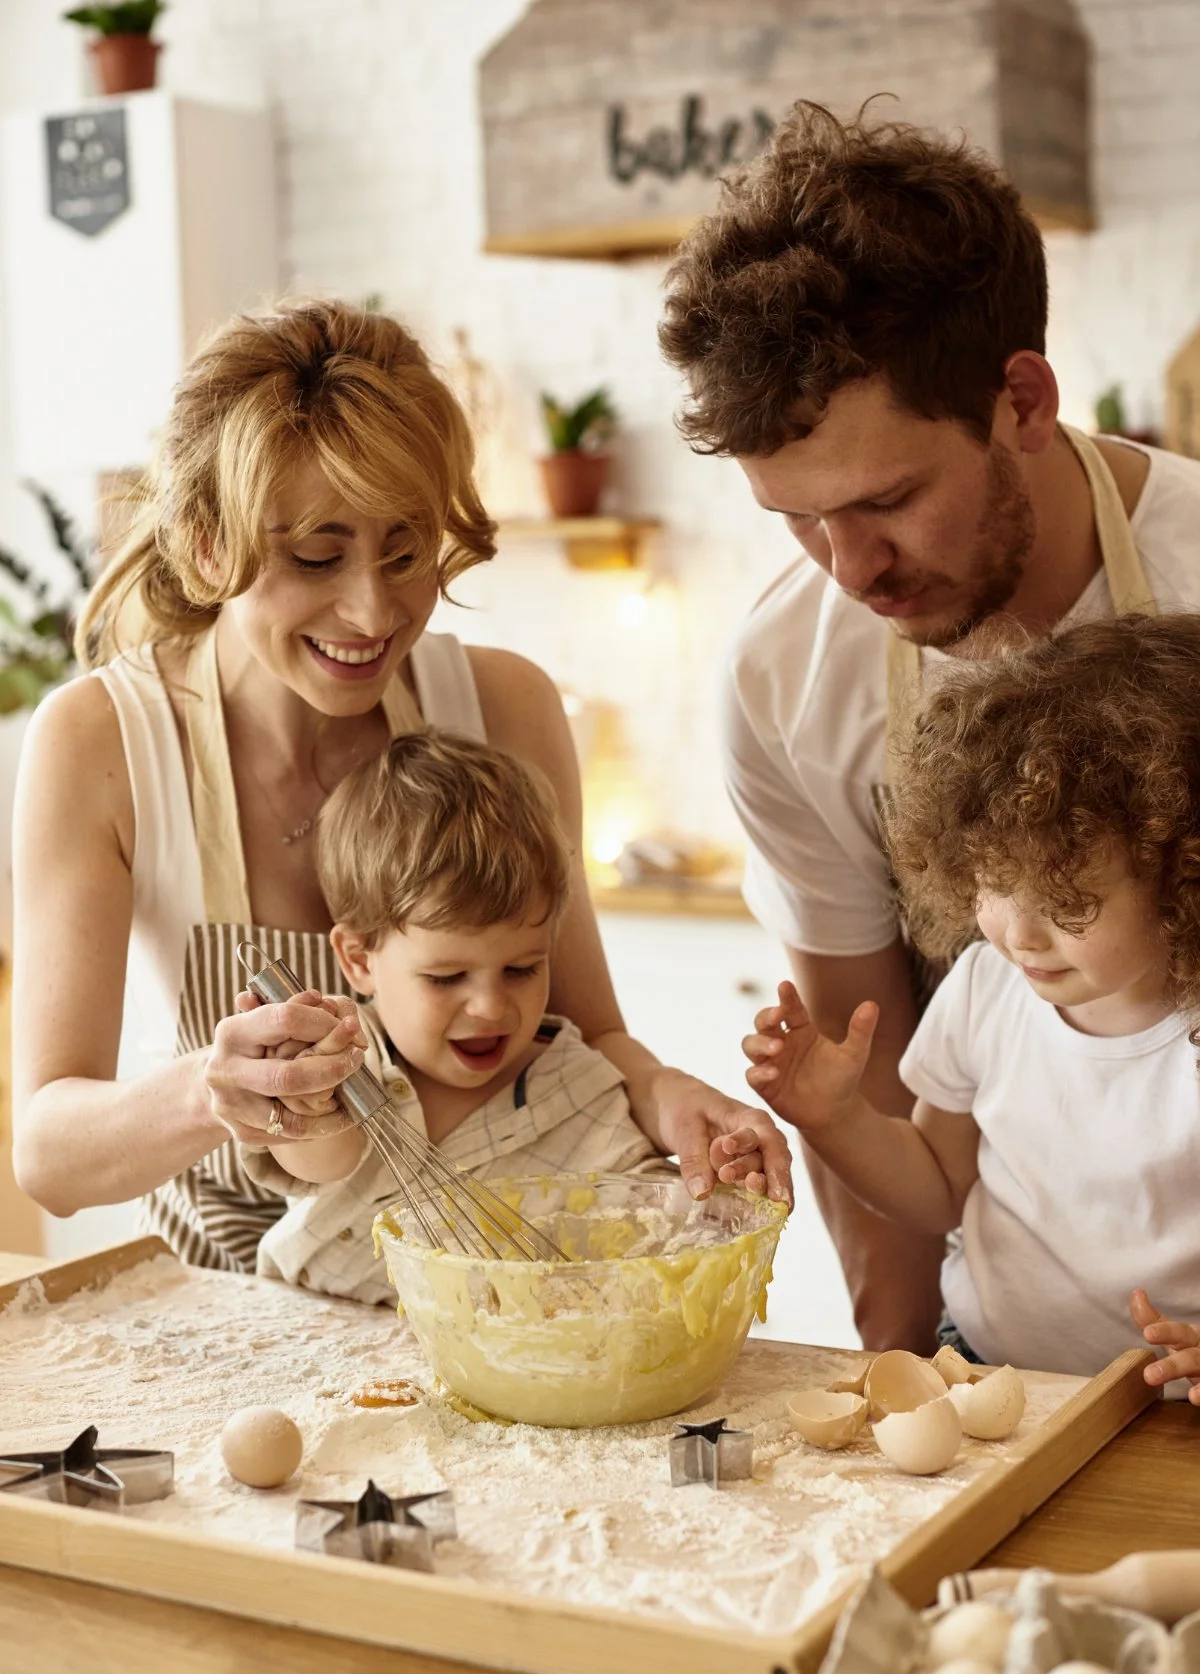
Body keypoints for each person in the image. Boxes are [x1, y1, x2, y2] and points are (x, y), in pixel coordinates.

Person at [13, 298, 789, 1274]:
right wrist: (209, 1093)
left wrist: (666, 1092)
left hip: (481, 1291)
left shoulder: (503, 707)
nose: (374, 611)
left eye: (406, 551)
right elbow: (48, 1156)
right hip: (235, 1311)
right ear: (210, 545)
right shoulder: (105, 742)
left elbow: (584, 1039)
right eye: (317, 557)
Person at [659, 100, 1200, 1352]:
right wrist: (903, 1397)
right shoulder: (783, 675)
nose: (848, 570)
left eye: (887, 499)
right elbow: (882, 1080)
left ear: (1022, 398)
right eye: (795, 518)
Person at [744, 616, 1200, 1397]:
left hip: (1170, 1403)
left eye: (1069, 902)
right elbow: (933, 1189)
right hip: (992, 1372)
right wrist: (835, 1118)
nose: (1019, 934)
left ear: (1183, 881)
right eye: (994, 882)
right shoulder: (989, 990)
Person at [248, 729, 679, 1304]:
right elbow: (323, 1157)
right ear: (358, 959)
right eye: (447, 978)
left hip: (511, 1366)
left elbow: (650, 1210)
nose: (492, 1007)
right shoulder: (346, 1058)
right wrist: (306, 1100)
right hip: (311, 1345)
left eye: (523, 969)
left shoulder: (575, 1087)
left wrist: (702, 1188)